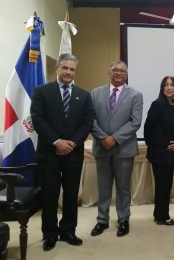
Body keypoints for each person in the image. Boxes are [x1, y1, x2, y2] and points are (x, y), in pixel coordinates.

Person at [30, 53, 94, 251]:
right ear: (57, 68)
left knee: (71, 194)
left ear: (75, 72)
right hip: (48, 153)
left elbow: (87, 122)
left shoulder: (84, 95)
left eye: (72, 69)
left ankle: (68, 231)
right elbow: (38, 119)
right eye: (65, 68)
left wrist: (72, 143)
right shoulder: (42, 91)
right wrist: (57, 142)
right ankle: (49, 233)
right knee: (49, 194)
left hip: (73, 154)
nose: (68, 72)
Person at [90, 61, 143, 237]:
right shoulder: (96, 93)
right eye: (115, 70)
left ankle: (123, 219)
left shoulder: (135, 95)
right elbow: (90, 119)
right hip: (101, 146)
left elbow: (135, 122)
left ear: (126, 74)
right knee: (103, 186)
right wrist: (104, 138)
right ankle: (102, 220)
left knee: (123, 187)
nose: (119, 73)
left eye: (122, 70)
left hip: (124, 149)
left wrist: (115, 138)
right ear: (109, 72)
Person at [144, 76, 174, 226]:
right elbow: (148, 128)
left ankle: (159, 214)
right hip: (159, 152)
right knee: (162, 185)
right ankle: (162, 216)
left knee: (166, 185)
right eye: (166, 85)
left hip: (171, 151)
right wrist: (157, 145)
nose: (169, 87)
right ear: (162, 87)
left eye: (172, 85)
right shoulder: (158, 104)